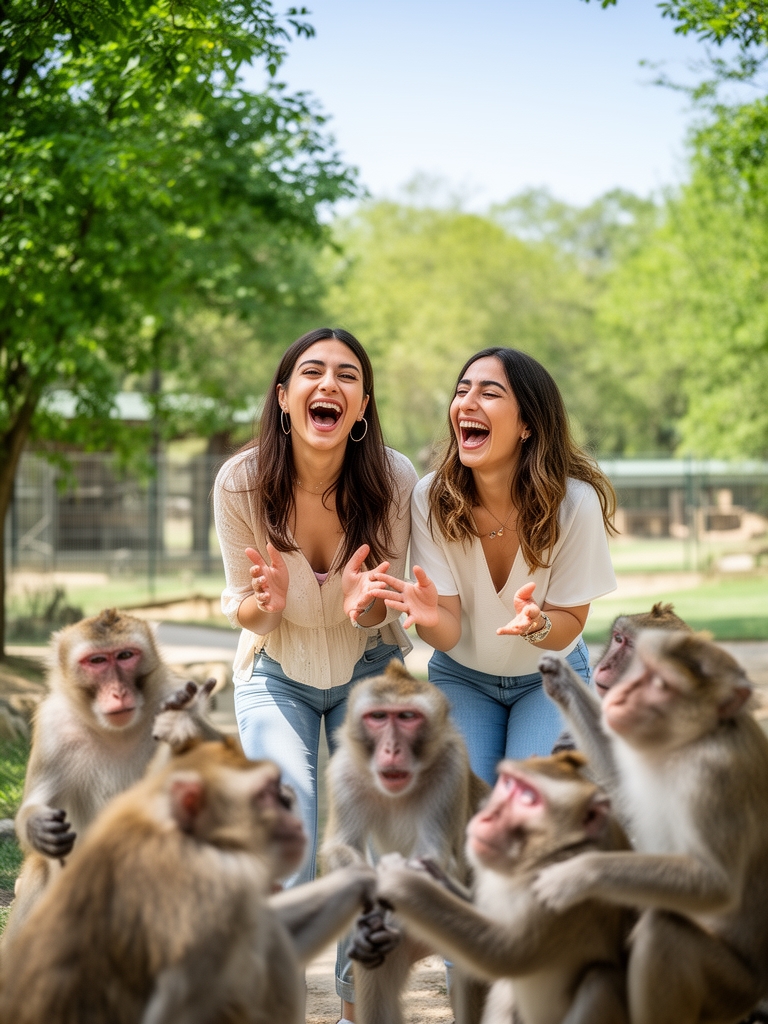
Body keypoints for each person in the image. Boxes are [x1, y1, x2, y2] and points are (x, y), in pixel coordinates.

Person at [213, 327, 417, 885]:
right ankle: (281, 972)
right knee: (289, 842)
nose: (329, 383)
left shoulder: (395, 479)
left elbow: (388, 610)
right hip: (274, 670)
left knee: (371, 847)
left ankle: (359, 975)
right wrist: (269, 606)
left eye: (347, 376)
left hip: (370, 668)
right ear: (283, 397)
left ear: (362, 409)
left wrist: (365, 606)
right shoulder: (240, 483)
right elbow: (244, 609)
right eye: (312, 372)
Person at [370, 346, 617, 786]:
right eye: (462, 390)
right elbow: (447, 630)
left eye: (489, 393)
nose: (467, 402)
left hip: (549, 675)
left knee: (528, 811)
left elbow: (571, 622)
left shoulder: (574, 503)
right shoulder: (432, 499)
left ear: (526, 424)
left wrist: (539, 625)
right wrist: (427, 619)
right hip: (462, 679)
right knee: (467, 813)